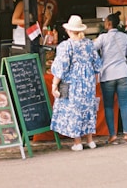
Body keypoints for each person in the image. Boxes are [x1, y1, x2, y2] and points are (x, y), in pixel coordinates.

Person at [50, 15, 102, 151]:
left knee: (75, 111)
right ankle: (90, 141)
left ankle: (78, 142)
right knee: (89, 110)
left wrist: (54, 84)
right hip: (88, 83)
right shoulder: (89, 44)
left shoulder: (66, 46)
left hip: (73, 84)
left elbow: (61, 67)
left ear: (68, 31)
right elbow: (97, 64)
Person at [94, 11, 127, 144]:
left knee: (109, 106)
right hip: (123, 73)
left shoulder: (103, 38)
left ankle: (113, 135)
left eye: (105, 22)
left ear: (109, 24)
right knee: (125, 104)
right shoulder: (124, 36)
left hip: (108, 75)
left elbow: (92, 48)